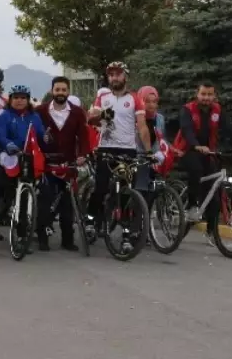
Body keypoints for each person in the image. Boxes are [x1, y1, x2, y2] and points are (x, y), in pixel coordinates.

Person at [172, 81, 232, 223]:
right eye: (203, 94)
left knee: (213, 189)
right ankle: (191, 206)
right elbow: (187, 130)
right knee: (196, 169)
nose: (206, 98)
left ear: (214, 96)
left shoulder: (217, 110)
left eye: (210, 94)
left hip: (208, 152)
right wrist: (197, 146)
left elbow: (230, 130)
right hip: (187, 150)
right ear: (197, 94)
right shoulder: (187, 109)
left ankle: (211, 230)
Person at [86, 62, 149, 235]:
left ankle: (126, 229)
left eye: (118, 74)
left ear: (125, 77)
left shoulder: (135, 98)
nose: (114, 77)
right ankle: (90, 219)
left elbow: (142, 127)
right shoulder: (103, 97)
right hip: (106, 148)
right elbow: (91, 120)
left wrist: (149, 151)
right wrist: (101, 116)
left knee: (127, 192)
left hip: (128, 150)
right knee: (101, 187)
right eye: (111, 74)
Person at [35, 76, 88, 252]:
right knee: (45, 200)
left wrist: (82, 155)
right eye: (57, 90)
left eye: (63, 90)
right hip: (47, 163)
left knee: (68, 203)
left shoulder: (78, 112)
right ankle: (42, 238)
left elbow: (84, 136)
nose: (60, 93)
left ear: (68, 91)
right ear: (52, 91)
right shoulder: (41, 111)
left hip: (68, 163)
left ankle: (67, 239)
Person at [0, 85, 48, 249]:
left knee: (27, 197)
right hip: (11, 157)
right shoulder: (5, 116)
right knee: (3, 188)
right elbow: (0, 135)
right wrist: (9, 145)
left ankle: (23, 232)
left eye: (23, 98)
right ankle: (1, 212)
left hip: (29, 159)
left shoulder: (34, 116)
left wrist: (46, 137)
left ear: (28, 100)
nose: (19, 101)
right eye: (16, 97)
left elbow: (40, 135)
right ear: (10, 100)